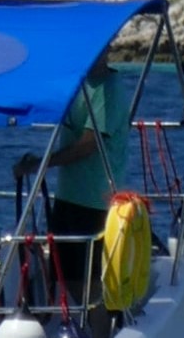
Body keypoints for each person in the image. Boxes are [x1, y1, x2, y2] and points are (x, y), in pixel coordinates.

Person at [15, 47, 126, 311]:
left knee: (86, 280)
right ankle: (73, 327)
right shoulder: (80, 84)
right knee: (61, 270)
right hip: (69, 196)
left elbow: (89, 144)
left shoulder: (108, 88)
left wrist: (40, 165)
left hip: (93, 200)